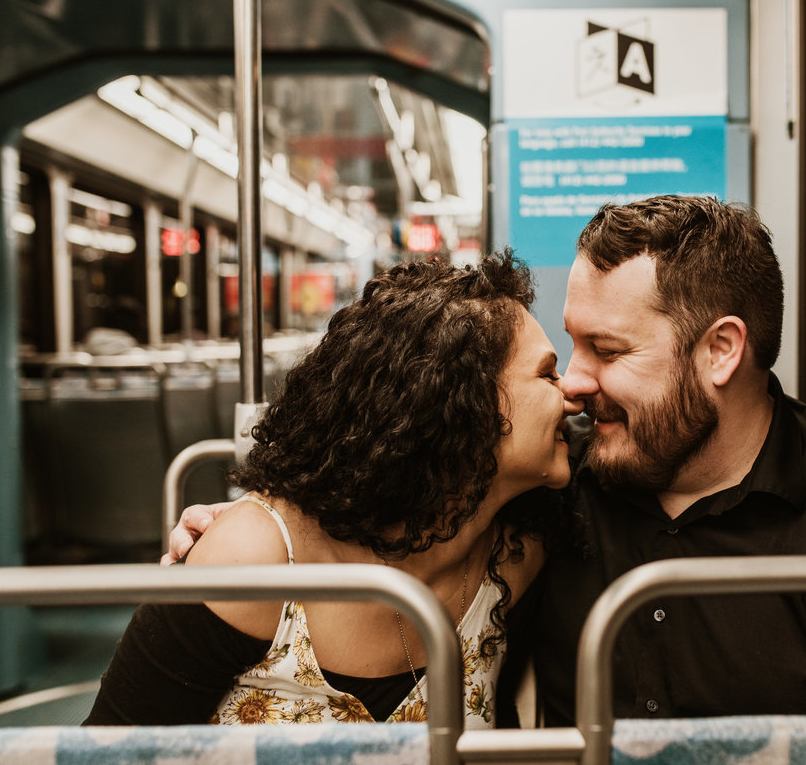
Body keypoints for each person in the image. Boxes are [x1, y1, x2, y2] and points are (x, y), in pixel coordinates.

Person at [169, 195, 806, 724]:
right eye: (568, 349)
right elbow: (382, 527)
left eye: (606, 350)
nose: (575, 385)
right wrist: (242, 540)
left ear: (721, 351)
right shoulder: (545, 493)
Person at [86, 250, 580, 727]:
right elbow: (109, 747)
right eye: (547, 373)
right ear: (463, 402)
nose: (571, 394)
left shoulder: (514, 556)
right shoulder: (256, 560)